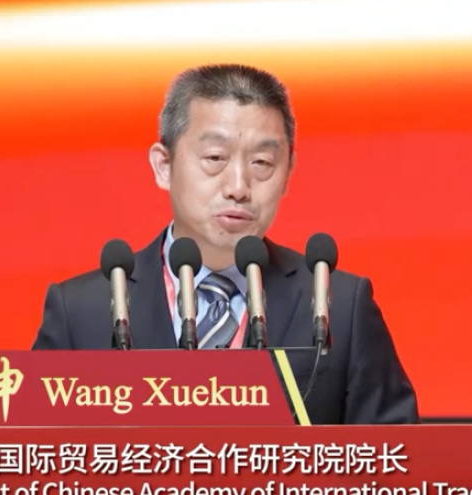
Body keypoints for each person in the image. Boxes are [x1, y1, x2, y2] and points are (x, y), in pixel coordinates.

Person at [32, 64, 419, 424]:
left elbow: (398, 458)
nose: (238, 187)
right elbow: (28, 456)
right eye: (215, 157)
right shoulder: (80, 312)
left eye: (261, 163)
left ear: (288, 172)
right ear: (163, 166)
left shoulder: (340, 305)